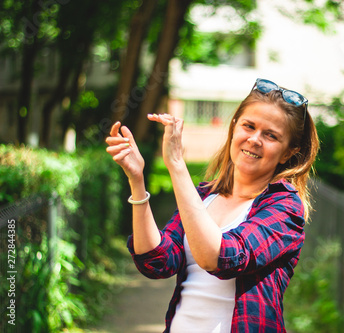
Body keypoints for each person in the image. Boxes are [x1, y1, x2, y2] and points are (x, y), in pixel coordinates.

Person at [105, 78, 319, 332]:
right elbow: (157, 261)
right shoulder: (204, 196)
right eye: (248, 126)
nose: (254, 139)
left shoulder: (284, 207)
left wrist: (176, 164)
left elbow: (220, 258)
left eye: (270, 135)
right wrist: (136, 180)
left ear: (288, 153)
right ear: (233, 127)